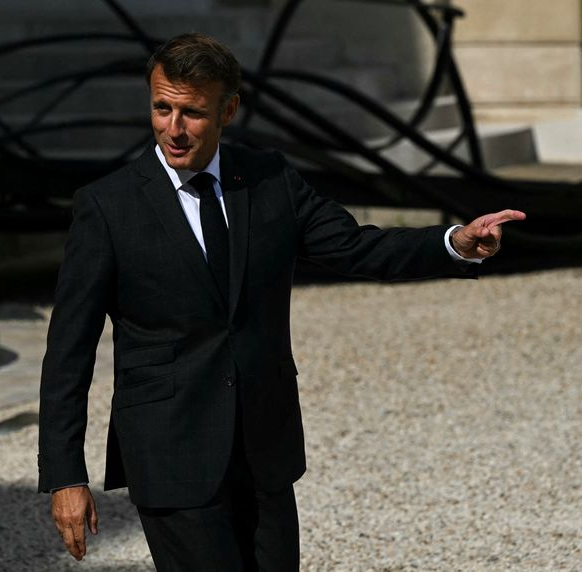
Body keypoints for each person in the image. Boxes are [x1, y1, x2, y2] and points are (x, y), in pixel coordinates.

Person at [38, 32, 525, 571]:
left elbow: (358, 247)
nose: (173, 129)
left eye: (192, 113)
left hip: (264, 451)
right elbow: (68, 352)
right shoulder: (107, 207)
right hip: (170, 453)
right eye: (162, 108)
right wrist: (65, 474)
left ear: (229, 110)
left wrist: (453, 245)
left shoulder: (270, 180)